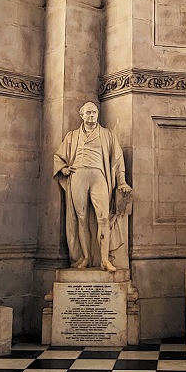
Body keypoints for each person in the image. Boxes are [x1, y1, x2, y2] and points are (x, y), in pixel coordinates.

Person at [53, 102, 132, 271]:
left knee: (103, 218)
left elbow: (118, 160)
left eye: (94, 112)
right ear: (81, 115)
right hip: (78, 175)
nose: (92, 115)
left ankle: (104, 260)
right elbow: (58, 156)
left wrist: (122, 181)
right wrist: (64, 169)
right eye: (88, 112)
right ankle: (86, 257)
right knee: (81, 219)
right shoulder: (72, 136)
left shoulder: (107, 134)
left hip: (99, 176)